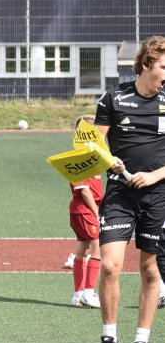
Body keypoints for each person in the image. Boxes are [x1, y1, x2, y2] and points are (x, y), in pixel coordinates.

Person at [92, 36, 165, 343]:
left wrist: (153, 176)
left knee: (150, 269)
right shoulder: (114, 97)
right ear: (148, 64)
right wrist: (110, 161)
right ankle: (109, 340)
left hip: (157, 195)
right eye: (164, 66)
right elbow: (94, 144)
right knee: (110, 265)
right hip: (120, 194)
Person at [68, 116, 103, 309]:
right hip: (85, 211)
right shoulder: (77, 158)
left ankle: (78, 295)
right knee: (98, 249)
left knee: (82, 249)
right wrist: (96, 212)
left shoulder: (91, 156)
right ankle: (89, 293)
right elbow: (85, 190)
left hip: (82, 211)